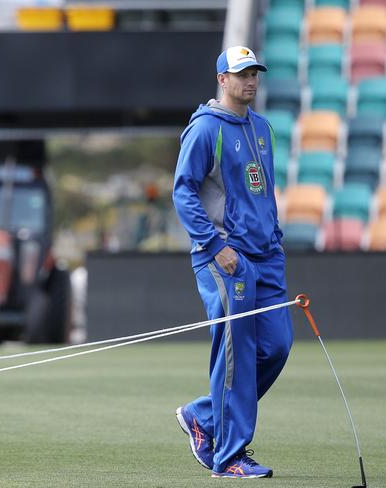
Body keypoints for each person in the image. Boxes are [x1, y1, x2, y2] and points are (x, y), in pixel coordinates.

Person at [172, 46, 293, 479]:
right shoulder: (205, 129)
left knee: (277, 347)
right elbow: (182, 191)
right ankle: (228, 457)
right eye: (242, 74)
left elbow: (264, 195)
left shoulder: (262, 128)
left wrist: (274, 240)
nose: (251, 81)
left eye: (255, 73)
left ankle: (203, 416)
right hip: (227, 259)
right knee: (237, 352)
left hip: (267, 258)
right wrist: (213, 246)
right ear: (222, 79)